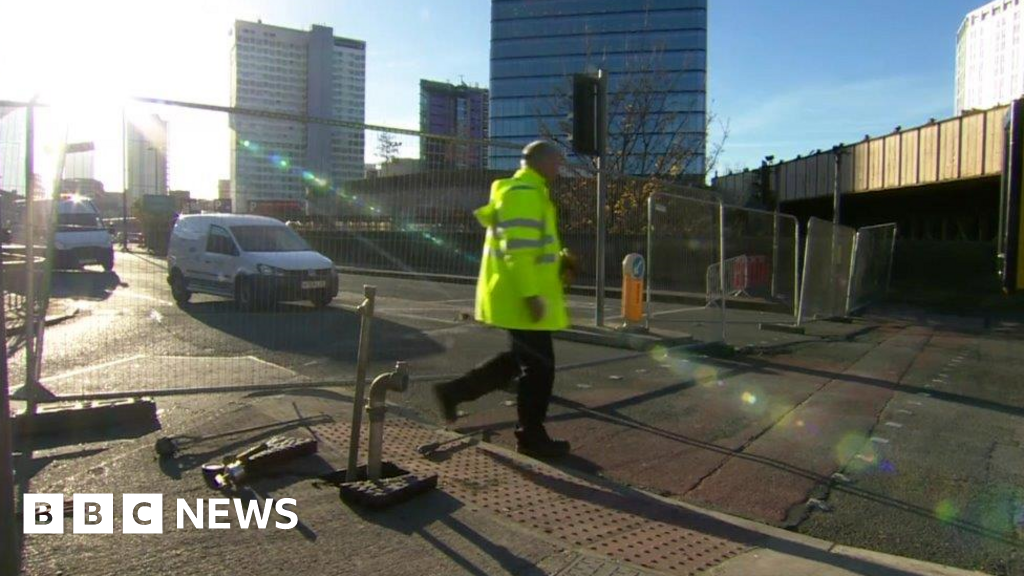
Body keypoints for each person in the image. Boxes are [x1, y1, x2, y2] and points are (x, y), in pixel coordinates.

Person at [434, 140, 574, 458]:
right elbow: (519, 251)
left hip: (520, 295)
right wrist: (531, 294)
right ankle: (531, 436)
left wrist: (559, 263)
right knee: (540, 368)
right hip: (522, 297)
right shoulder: (524, 194)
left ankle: (453, 392)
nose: (560, 167)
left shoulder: (530, 191)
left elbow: (533, 246)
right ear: (539, 162)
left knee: (519, 361)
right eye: (556, 161)